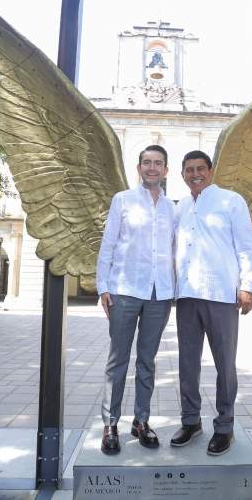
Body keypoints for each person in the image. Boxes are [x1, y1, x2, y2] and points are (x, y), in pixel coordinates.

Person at [171, 150, 252, 457]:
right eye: (189, 169)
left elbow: (246, 247)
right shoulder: (179, 207)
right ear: (182, 175)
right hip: (187, 296)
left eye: (200, 168)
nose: (195, 174)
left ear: (211, 171)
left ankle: (225, 427)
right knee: (187, 364)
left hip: (221, 294)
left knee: (225, 365)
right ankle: (191, 421)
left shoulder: (231, 201)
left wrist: (247, 286)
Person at [96, 145, 175, 456]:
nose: (152, 168)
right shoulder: (123, 201)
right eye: (147, 163)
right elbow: (109, 244)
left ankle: (141, 421)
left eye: (158, 163)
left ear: (166, 170)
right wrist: (103, 286)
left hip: (160, 293)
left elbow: (176, 250)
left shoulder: (173, 208)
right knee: (117, 361)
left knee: (147, 361)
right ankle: (110, 424)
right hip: (125, 290)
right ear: (139, 167)